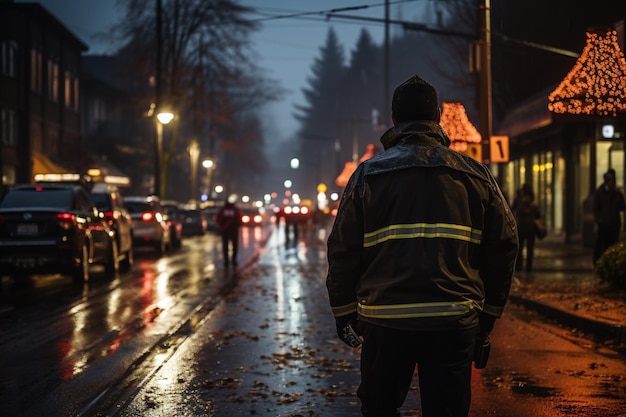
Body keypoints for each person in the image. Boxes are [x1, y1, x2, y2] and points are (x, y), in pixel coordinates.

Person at [326, 75, 519, 417]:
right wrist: (486, 319)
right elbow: (504, 244)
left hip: (385, 322)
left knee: (380, 408)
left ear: (394, 120)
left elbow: (342, 249)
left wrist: (344, 314)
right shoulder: (475, 175)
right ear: (437, 120)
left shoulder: (367, 176)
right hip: (454, 321)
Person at [593, 168, 625, 265]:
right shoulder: (600, 192)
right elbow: (596, 208)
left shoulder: (617, 193)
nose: (612, 182)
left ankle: (610, 264)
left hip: (614, 224)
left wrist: (618, 198)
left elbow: (622, 207)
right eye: (610, 180)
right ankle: (599, 263)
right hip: (604, 224)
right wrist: (599, 220)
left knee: (612, 245)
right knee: (601, 245)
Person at [511, 183, 541, 272]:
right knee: (530, 248)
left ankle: (519, 266)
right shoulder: (532, 201)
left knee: (519, 248)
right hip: (530, 227)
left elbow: (512, 209)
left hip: (520, 226)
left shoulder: (518, 200)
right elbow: (538, 214)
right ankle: (528, 267)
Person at [215, 195, 242, 268]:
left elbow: (218, 218)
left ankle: (229, 261)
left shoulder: (224, 210)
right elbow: (239, 219)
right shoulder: (233, 210)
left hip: (228, 230)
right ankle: (231, 260)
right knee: (231, 246)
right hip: (229, 230)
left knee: (228, 247)